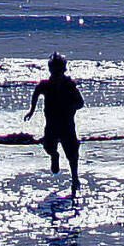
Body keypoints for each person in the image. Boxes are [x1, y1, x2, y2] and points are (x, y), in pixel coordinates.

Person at [24, 52, 85, 193]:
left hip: (67, 123)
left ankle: (75, 177)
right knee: (48, 146)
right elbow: (36, 92)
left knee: (72, 151)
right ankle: (54, 156)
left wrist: (71, 106)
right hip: (51, 123)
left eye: (59, 71)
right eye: (54, 71)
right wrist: (31, 110)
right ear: (50, 70)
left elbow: (80, 102)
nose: (56, 74)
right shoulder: (46, 85)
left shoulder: (69, 85)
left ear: (64, 70)